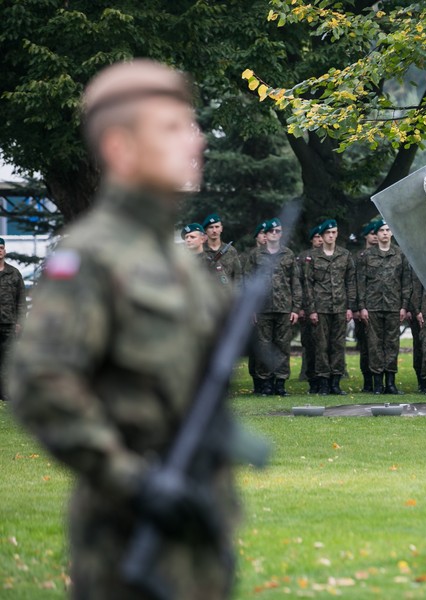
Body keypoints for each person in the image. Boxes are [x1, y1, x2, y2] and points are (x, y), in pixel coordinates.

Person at [8, 59, 238, 598]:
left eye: (194, 124)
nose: (196, 140)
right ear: (120, 147)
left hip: (199, 529)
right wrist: (127, 476)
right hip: (128, 540)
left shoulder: (176, 258)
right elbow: (40, 381)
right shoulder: (92, 255)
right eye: (173, 127)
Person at [246, 218, 303, 396]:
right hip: (262, 309)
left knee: (282, 346)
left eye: (278, 231)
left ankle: (280, 382)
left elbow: (295, 282)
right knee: (264, 346)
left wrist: (295, 308)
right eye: (271, 231)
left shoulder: (288, 254)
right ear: (266, 234)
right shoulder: (256, 255)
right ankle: (265, 383)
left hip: (283, 308)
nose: (274, 234)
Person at [357, 220, 411, 395]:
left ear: (392, 233)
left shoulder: (400, 255)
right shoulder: (367, 255)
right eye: (381, 230)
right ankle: (378, 383)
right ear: (377, 234)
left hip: (394, 306)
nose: (385, 233)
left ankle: (390, 383)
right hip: (372, 307)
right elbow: (361, 283)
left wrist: (404, 306)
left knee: (392, 345)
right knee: (374, 345)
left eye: (388, 230)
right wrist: (362, 307)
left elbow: (405, 283)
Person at [304, 219, 356, 395]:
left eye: (334, 232)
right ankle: (323, 382)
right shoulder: (312, 256)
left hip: (340, 307)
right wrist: (311, 309)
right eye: (328, 233)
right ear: (322, 235)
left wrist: (350, 307)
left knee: (338, 345)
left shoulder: (345, 255)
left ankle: (335, 381)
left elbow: (350, 282)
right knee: (321, 346)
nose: (331, 236)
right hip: (321, 308)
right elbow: (308, 285)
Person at [297, 224, 324, 392]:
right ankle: (311, 378)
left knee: (325, 345)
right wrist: (299, 307)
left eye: (322, 236)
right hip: (307, 309)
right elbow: (298, 283)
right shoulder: (303, 257)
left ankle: (324, 379)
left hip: (325, 307)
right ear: (311, 240)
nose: (320, 240)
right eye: (317, 237)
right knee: (310, 345)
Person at [354, 221, 379, 392]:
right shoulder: (359, 257)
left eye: (376, 233)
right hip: (363, 309)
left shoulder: (386, 254)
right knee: (366, 346)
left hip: (380, 306)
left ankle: (379, 380)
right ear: (366, 236)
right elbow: (355, 283)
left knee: (379, 345)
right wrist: (356, 308)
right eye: (372, 233)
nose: (375, 236)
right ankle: (368, 380)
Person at [0, 238, 26, 400]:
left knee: (8, 359)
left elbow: (21, 299)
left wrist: (20, 322)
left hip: (9, 324)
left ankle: (5, 394)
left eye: (1, 247)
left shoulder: (14, 273)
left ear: (5, 251)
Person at [245, 221, 268, 394]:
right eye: (262, 233)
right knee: (257, 346)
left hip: (274, 307)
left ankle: (271, 383)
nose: (265, 236)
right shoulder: (250, 256)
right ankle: (258, 381)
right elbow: (244, 281)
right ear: (256, 236)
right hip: (256, 308)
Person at [203, 213, 243, 290]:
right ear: (206, 230)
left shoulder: (231, 250)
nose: (214, 230)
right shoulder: (201, 250)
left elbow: (238, 277)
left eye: (217, 227)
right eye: (211, 227)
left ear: (221, 228)